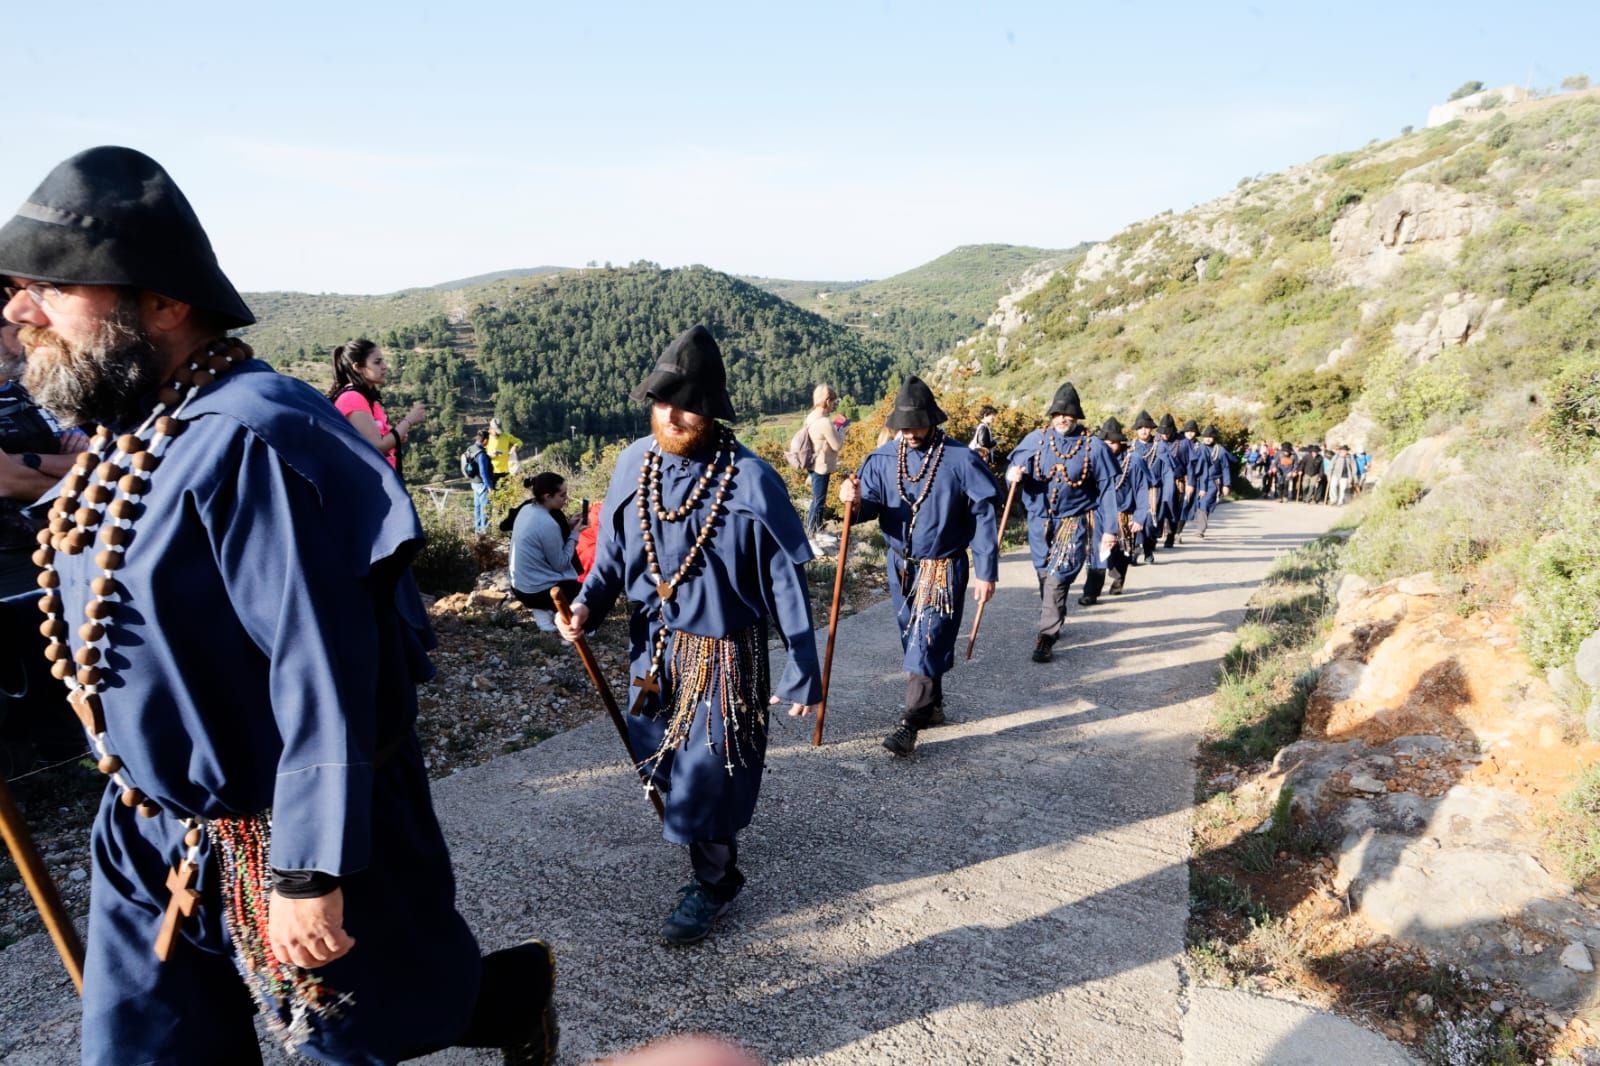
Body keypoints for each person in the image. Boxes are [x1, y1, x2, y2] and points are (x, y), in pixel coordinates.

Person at [0, 147, 555, 1065]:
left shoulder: (251, 437)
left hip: (277, 826)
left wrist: (307, 867)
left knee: (369, 1026)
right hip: (146, 830)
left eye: (50, 286)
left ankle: (508, 1001)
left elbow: (321, 661)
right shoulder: (127, 435)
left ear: (165, 302)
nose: (21, 310)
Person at [556, 324, 822, 945]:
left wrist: (802, 667)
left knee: (707, 774)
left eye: (687, 403)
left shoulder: (748, 480)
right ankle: (709, 843)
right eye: (661, 400)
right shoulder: (631, 466)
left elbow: (787, 582)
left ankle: (713, 882)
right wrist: (587, 609)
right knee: (660, 761)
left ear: (712, 410)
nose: (671, 415)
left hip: (725, 656)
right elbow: (611, 563)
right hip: (653, 651)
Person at [839, 376, 997, 755]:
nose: (909, 433)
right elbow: (870, 507)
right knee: (915, 638)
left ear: (933, 420)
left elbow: (984, 514)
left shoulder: (961, 459)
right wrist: (853, 500)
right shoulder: (882, 459)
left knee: (927, 638)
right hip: (900, 566)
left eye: (916, 425)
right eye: (902, 426)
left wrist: (986, 570)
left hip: (942, 566)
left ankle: (910, 723)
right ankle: (934, 705)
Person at [1006, 383, 1118, 663]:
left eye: (1067, 414)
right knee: (1044, 574)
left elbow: (1106, 490)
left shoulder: (1094, 446)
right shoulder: (1036, 439)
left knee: (1057, 577)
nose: (1062, 419)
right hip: (1039, 521)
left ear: (1077, 416)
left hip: (1073, 522)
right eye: (1057, 413)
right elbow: (1015, 466)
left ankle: (1046, 635)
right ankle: (1055, 614)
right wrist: (1014, 474)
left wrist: (1110, 530)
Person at [329, 338, 426, 476]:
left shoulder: (368, 398)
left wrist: (396, 435)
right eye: (377, 362)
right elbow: (377, 447)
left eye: (383, 361)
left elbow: (378, 439)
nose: (384, 366)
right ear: (357, 368)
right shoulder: (352, 398)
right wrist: (408, 421)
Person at [1079, 417, 1150, 604]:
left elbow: (1143, 490)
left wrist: (1140, 517)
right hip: (1098, 514)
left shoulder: (1133, 461)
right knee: (1096, 552)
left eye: (1112, 443)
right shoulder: (1093, 458)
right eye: (1105, 443)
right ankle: (1091, 593)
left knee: (1120, 553)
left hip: (1123, 515)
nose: (1108, 446)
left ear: (1121, 442)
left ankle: (1118, 580)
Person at [510, 471, 585, 631]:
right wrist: (575, 535)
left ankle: (543, 612)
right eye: (562, 495)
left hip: (519, 587)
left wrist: (569, 526)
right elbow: (561, 564)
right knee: (588, 594)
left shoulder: (527, 509)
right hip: (536, 592)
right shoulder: (547, 522)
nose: (566, 500)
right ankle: (558, 614)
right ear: (547, 496)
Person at [802, 383, 845, 552]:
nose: (833, 405)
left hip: (813, 463)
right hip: (822, 466)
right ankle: (811, 536)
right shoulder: (824, 422)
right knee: (818, 501)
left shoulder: (811, 417)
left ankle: (817, 531)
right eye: (832, 402)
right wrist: (841, 429)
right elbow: (837, 445)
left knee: (817, 500)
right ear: (827, 401)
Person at [1128, 410, 1172, 565]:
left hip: (1154, 491)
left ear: (1151, 429)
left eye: (1147, 427)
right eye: (1140, 428)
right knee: (1135, 521)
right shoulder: (1130, 448)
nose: (1144, 431)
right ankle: (1135, 550)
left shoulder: (1160, 447)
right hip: (1134, 492)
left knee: (1150, 523)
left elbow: (1167, 471)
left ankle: (1148, 550)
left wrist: (1167, 495)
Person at [1191, 425, 1233, 538]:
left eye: (1210, 437)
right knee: (1199, 504)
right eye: (1206, 437)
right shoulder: (1198, 448)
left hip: (1213, 482)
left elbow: (1225, 468)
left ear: (1214, 438)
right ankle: (1199, 526)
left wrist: (1226, 485)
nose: (1208, 439)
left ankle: (1200, 529)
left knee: (1205, 503)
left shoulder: (1221, 451)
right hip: (1199, 480)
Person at [1157, 413, 1187, 548]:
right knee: (1156, 507)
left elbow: (1190, 464)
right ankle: (1153, 537)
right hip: (1158, 479)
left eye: (1168, 432)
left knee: (1172, 508)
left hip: (1177, 479)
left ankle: (1171, 534)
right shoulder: (1156, 441)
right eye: (1163, 432)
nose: (1165, 435)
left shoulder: (1183, 442)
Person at [466, 428, 494, 533]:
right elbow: (483, 473)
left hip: (474, 482)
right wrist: (489, 487)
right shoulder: (481, 453)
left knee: (477, 507)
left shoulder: (470, 449)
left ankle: (477, 530)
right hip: (482, 485)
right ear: (485, 440)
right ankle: (485, 533)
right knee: (485, 509)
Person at [486, 417, 523, 488]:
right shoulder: (486, 439)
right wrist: (490, 455)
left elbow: (520, 442)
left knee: (507, 494)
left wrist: (515, 446)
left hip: (506, 471)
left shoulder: (506, 436)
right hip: (493, 472)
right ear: (491, 428)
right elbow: (482, 455)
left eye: (499, 431)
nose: (498, 433)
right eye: (496, 431)